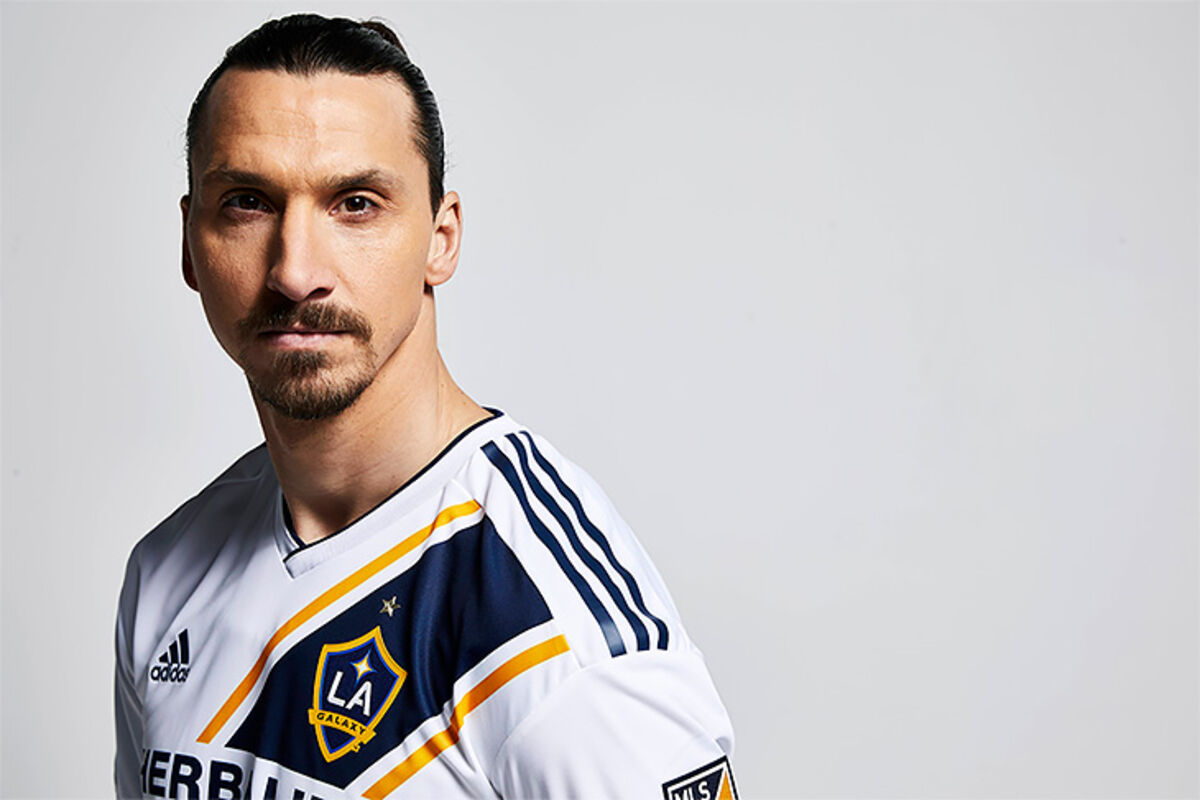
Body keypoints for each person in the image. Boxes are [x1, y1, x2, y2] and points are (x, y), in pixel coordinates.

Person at [114, 14, 736, 800]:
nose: (295, 271)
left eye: (356, 203)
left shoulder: (550, 624)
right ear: (189, 243)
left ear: (441, 239)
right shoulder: (168, 572)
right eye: (247, 202)